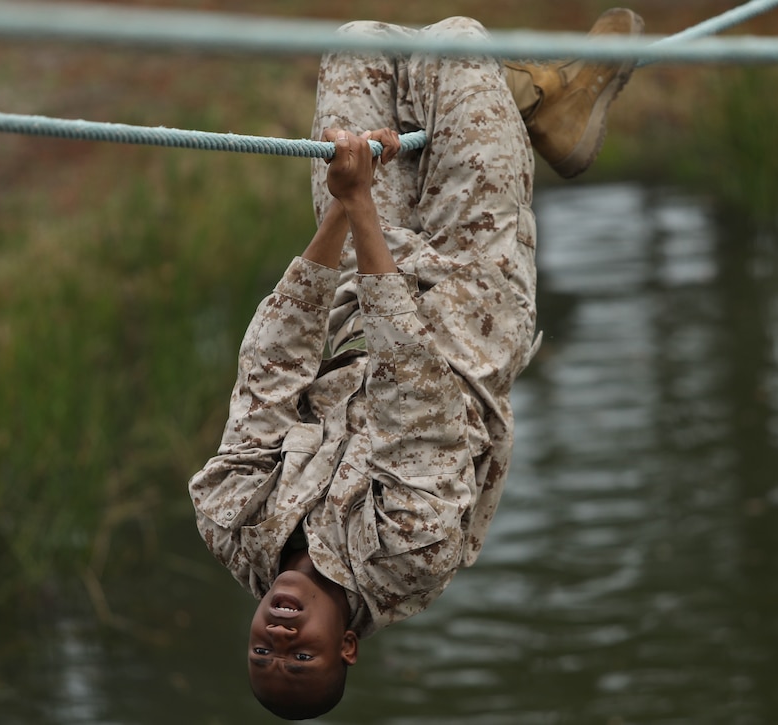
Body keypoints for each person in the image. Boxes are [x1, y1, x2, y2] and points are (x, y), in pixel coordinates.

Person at [187, 9, 643, 720]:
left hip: (349, 287)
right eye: (299, 653)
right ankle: (534, 107)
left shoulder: (230, 524)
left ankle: (532, 105)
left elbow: (269, 369)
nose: (278, 635)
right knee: (455, 42)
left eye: (261, 651)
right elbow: (414, 391)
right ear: (346, 648)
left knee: (361, 44)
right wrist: (363, 204)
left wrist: (342, 211)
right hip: (468, 301)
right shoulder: (409, 560)